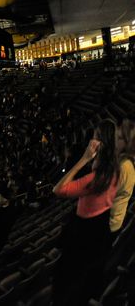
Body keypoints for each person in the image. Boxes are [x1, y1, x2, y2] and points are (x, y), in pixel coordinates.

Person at [52, 120, 119, 305]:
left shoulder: (95, 179)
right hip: (100, 228)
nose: (91, 140)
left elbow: (58, 189)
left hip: (83, 235)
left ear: (102, 144)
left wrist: (84, 158)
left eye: (95, 137)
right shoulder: (117, 170)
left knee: (68, 284)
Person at [111, 118, 135, 233]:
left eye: (119, 138)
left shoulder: (124, 167)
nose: (115, 141)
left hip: (107, 225)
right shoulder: (122, 163)